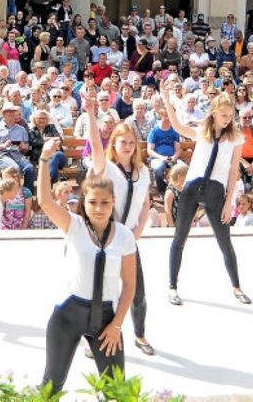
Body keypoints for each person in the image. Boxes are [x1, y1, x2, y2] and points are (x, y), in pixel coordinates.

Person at [36, 138, 136, 394]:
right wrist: (44, 159)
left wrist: (116, 325)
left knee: (117, 391)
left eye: (104, 202)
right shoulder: (75, 225)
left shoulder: (124, 235)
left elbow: (129, 285)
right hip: (69, 315)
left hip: (106, 318)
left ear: (113, 201)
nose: (98, 208)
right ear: (84, 202)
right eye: (92, 202)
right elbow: (45, 201)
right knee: (51, 387)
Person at [160, 87, 251, 306]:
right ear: (214, 112)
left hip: (216, 191)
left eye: (230, 116)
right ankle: (172, 286)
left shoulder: (236, 137)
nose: (227, 119)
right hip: (193, 188)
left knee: (225, 242)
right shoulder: (202, 131)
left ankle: (237, 286)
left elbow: (233, 171)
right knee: (180, 238)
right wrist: (167, 100)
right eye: (223, 115)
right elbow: (178, 126)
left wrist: (228, 203)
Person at [85, 93, 154, 356]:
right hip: (105, 237)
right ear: (113, 144)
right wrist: (91, 113)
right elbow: (95, 145)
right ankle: (94, 338)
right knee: (99, 291)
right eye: (122, 142)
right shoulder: (107, 168)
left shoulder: (143, 172)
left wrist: (138, 231)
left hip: (128, 239)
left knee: (137, 291)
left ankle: (140, 334)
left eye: (131, 142)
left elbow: (146, 203)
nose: (127, 146)